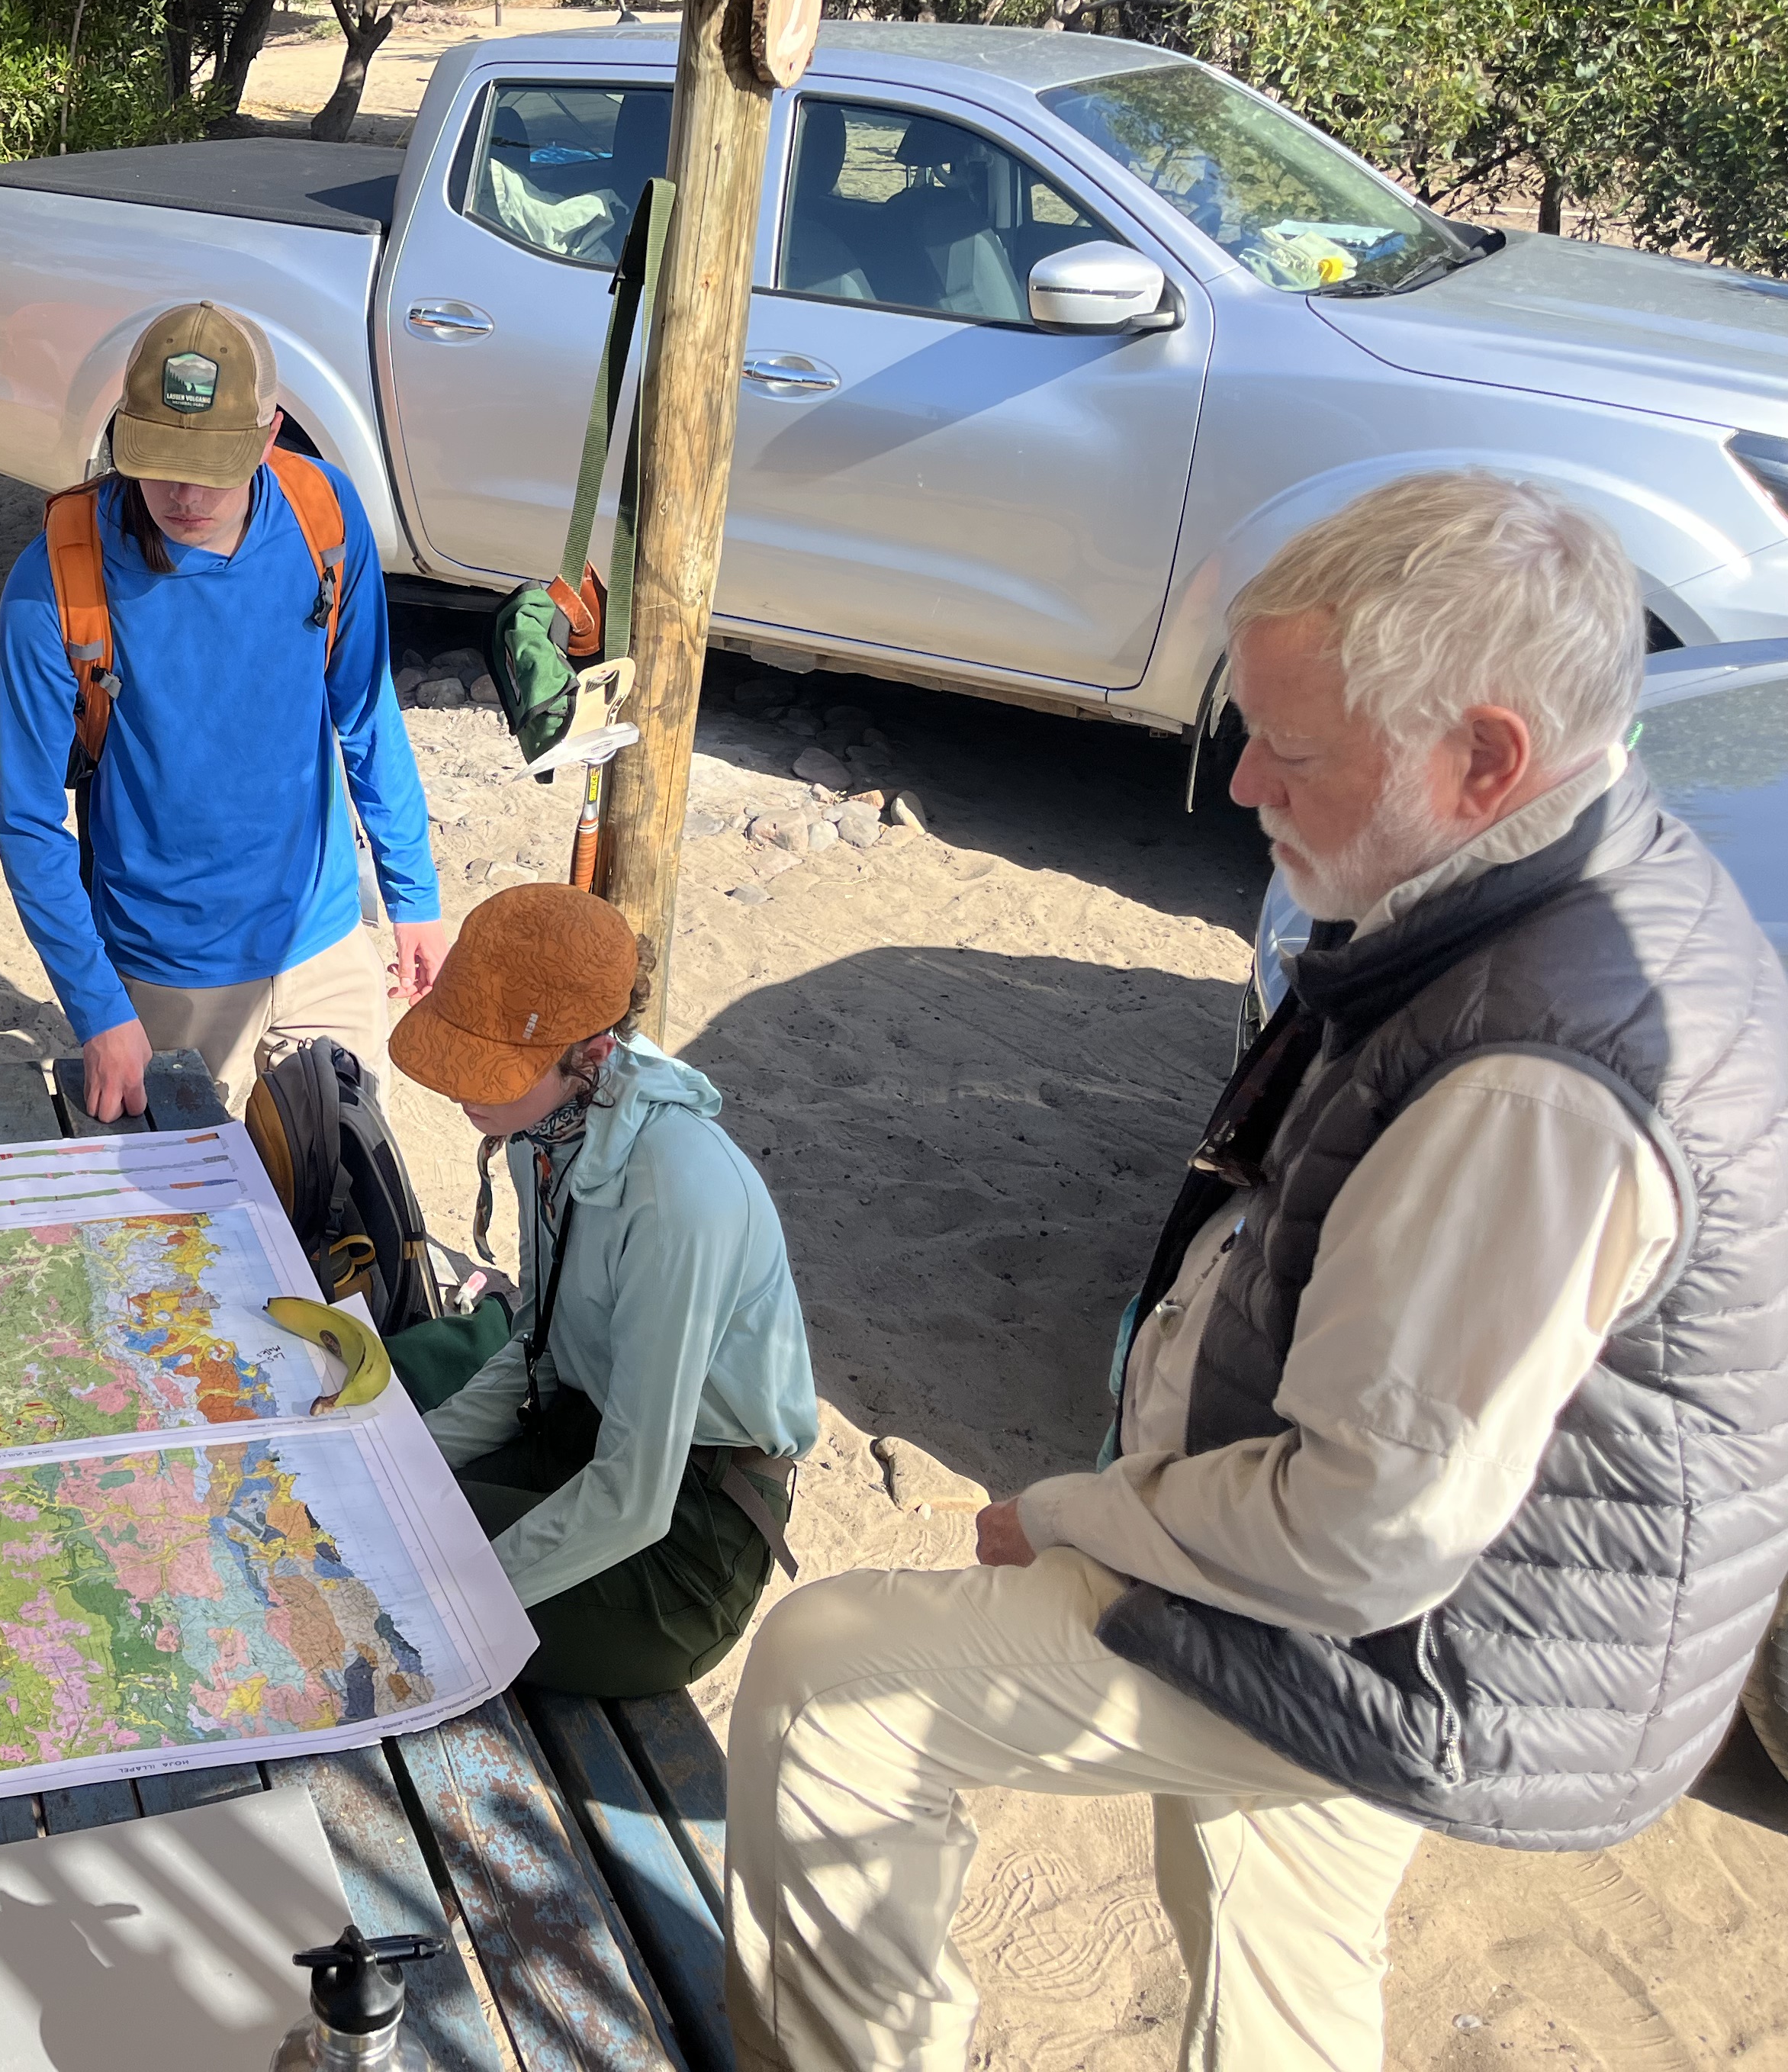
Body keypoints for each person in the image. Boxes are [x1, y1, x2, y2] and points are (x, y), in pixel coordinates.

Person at [722, 471, 1788, 2072]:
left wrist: (1076, 1512)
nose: (1238, 787)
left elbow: (1369, 1528)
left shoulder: (1535, 1079)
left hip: (1432, 1644)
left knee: (831, 1689)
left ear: (1484, 758)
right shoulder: (1542, 890)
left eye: (1292, 748)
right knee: (1261, 1869)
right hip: (1479, 1603)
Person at [0, 301, 442, 1118]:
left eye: (215, 464)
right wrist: (100, 1012)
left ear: (269, 436)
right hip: (162, 975)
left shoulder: (326, 517)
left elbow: (368, 712)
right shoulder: (55, 577)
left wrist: (415, 901)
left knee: (344, 1216)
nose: (185, 494)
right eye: (160, 458)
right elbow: (26, 821)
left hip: (327, 947)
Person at [386, 884, 817, 1698]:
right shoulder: (540, 1134)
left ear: (591, 1055)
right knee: (384, 1503)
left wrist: (459, 1602)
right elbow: (540, 1347)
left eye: (492, 1068)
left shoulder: (678, 1193)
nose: (463, 1093)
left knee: (391, 1578)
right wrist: (419, 1453)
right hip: (588, 1430)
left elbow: (634, 1500)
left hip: (692, 1534)